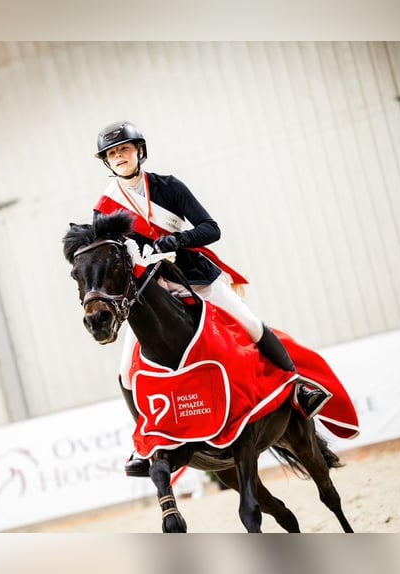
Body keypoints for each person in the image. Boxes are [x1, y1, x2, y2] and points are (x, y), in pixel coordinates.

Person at [92, 120, 331, 478]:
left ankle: (299, 390)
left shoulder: (169, 187)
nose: (120, 157)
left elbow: (210, 229)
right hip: (151, 290)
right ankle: (145, 443)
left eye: (124, 149)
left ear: (139, 151)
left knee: (249, 324)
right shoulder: (104, 208)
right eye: (112, 154)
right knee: (125, 370)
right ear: (108, 162)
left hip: (197, 277)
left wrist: (175, 241)